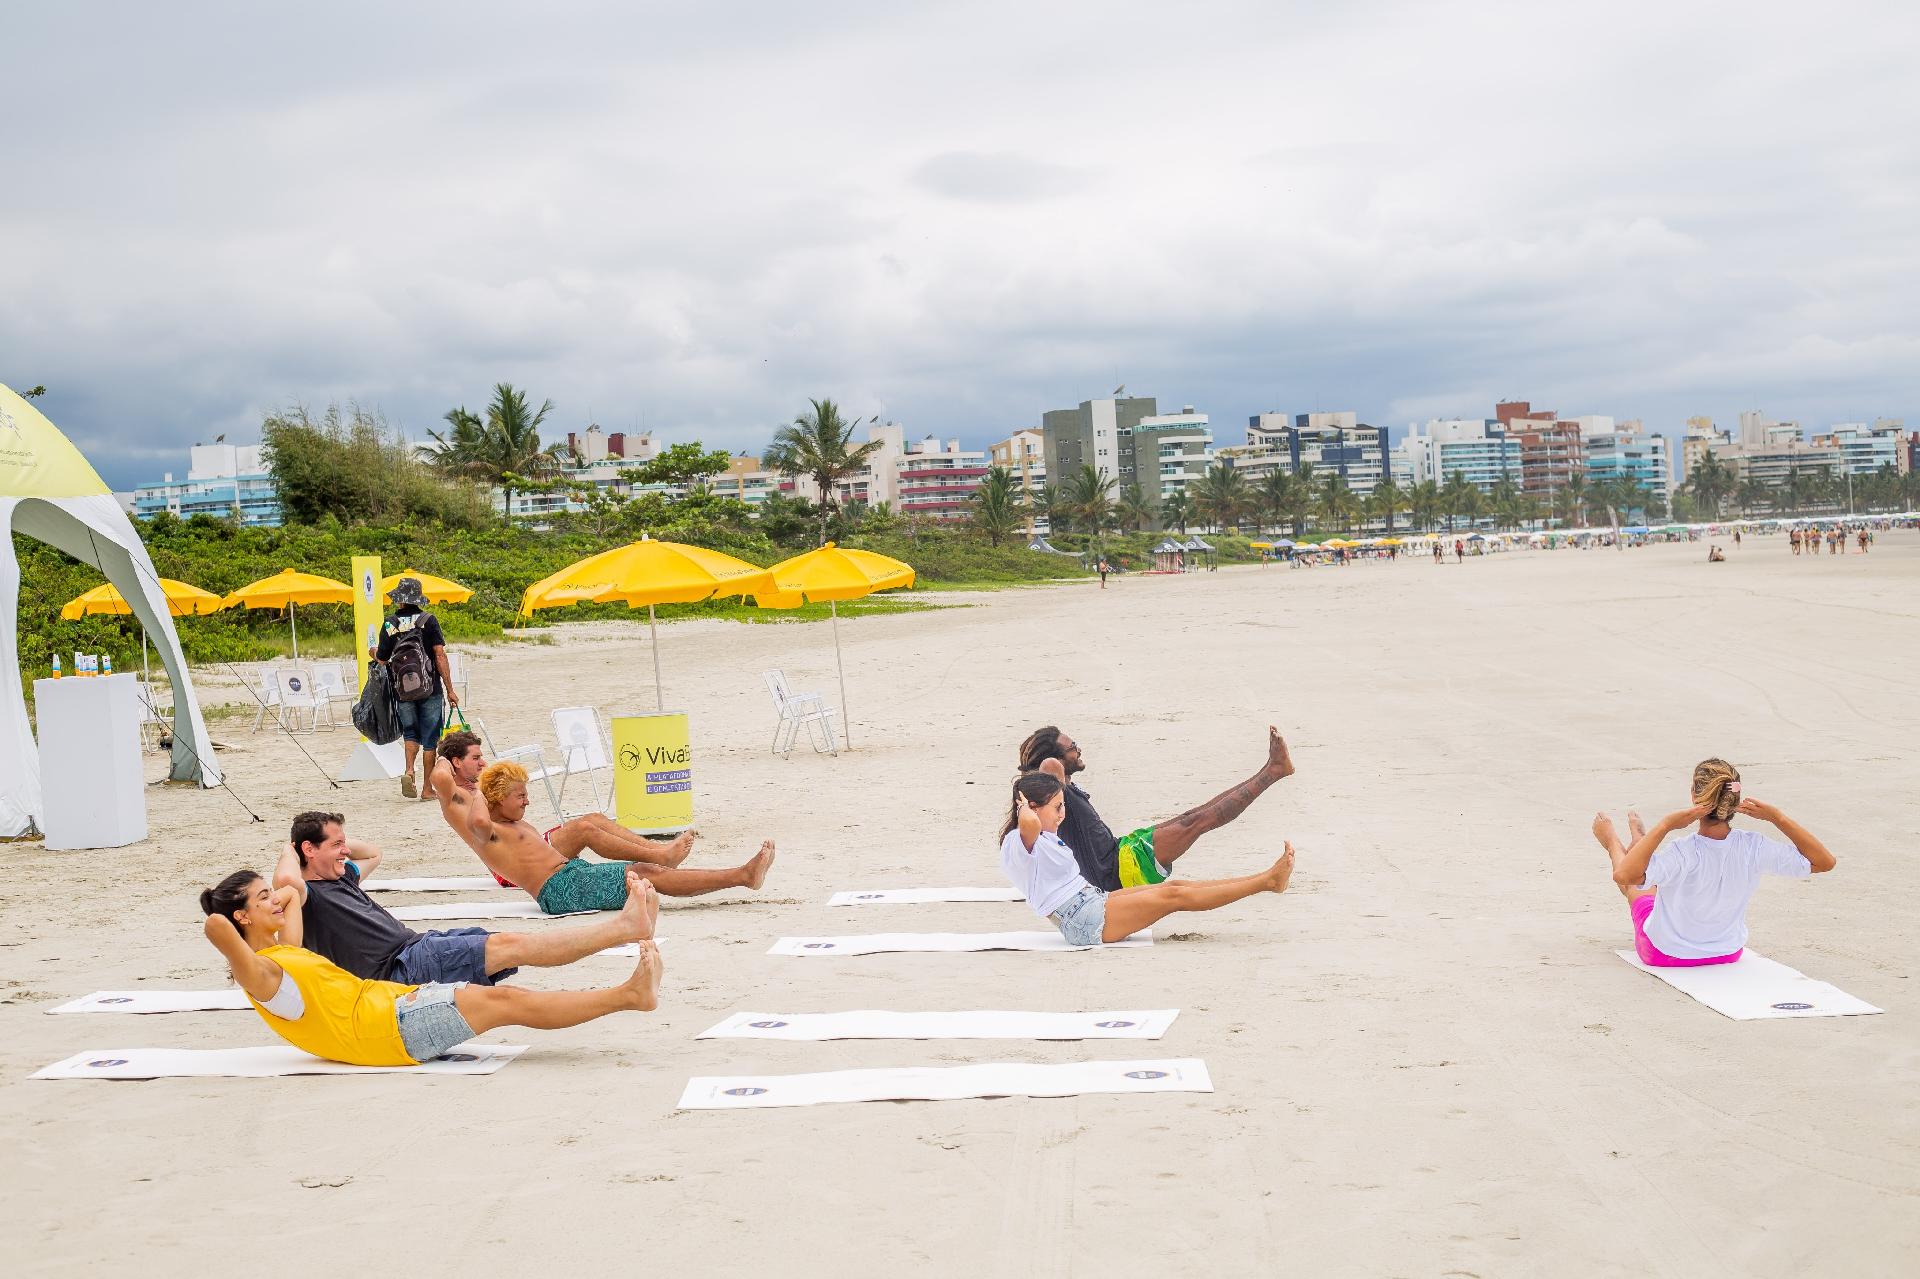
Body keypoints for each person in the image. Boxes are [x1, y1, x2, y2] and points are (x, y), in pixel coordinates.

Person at [199, 869, 663, 1067]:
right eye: (261, 901)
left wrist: (269, 897)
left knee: (505, 999)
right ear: (242, 917)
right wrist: (239, 911)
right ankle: (628, 995)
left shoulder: (285, 953)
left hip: (393, 1010)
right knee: (506, 1001)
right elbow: (217, 927)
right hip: (387, 1032)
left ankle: (628, 983)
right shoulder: (260, 975)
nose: (273, 902)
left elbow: (290, 888)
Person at [272, 810, 654, 987]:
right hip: (401, 967)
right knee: (512, 945)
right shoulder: (306, 895)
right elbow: (287, 876)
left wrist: (334, 847)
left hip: (420, 945)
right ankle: (623, 928)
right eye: (337, 845)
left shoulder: (341, 877)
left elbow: (372, 852)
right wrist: (290, 849)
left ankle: (623, 931)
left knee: (508, 946)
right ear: (307, 848)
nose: (345, 852)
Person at [432, 756, 775, 914]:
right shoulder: (488, 832)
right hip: (558, 891)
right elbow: (457, 800)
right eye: (519, 796)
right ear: (496, 799)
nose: (527, 800)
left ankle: (729, 872)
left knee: (641, 866)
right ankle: (742, 876)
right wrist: (476, 786)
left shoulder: (513, 825)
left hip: (569, 874)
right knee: (646, 873)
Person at [1588, 758, 1836, 967]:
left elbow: (1624, 876)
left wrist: (1664, 826)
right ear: (1734, 801)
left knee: (1638, 888)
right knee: (1650, 876)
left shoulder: (1683, 851)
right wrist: (1778, 818)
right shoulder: (1754, 847)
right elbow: (1824, 862)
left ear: (1694, 797)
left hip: (1665, 954)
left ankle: (1618, 840)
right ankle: (1642, 845)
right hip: (1727, 953)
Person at [1000, 772, 1294, 945]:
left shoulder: (1039, 838)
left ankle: (1267, 879)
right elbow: (1030, 824)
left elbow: (1037, 819)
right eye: (1056, 808)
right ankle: (1267, 882)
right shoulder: (1020, 840)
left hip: (1090, 902)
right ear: (1033, 808)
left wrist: (1037, 806)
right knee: (1175, 897)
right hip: (1083, 921)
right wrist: (1024, 806)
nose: (1063, 814)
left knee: (1173, 887)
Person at [1016, 724, 1294, 891]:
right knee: (1199, 821)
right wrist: (1048, 765)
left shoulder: (1060, 791)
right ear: (1055, 759)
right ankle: (1273, 772)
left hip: (1123, 850)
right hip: (1121, 871)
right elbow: (1048, 769)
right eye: (1072, 747)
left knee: (1194, 817)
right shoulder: (1051, 779)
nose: (1079, 749)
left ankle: (1272, 769)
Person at [436, 731, 694, 871]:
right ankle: (660, 859)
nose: (482, 763)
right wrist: (442, 759)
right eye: (475, 758)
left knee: (593, 818)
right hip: (514, 864)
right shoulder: (456, 796)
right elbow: (438, 776)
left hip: (528, 846)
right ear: (456, 762)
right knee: (584, 830)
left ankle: (657, 851)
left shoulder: (473, 787)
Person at [372, 576, 456, 801]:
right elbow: (439, 655)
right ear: (417, 598)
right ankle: (427, 790)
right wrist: (450, 689)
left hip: (403, 691)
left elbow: (382, 659)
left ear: (399, 600)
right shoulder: (429, 620)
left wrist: (373, 651)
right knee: (430, 739)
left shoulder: (390, 623)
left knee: (410, 733)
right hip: (431, 689)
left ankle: (409, 770)